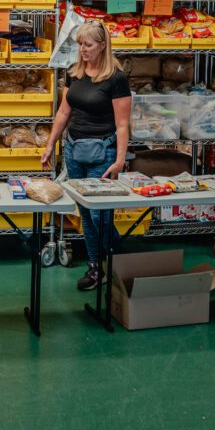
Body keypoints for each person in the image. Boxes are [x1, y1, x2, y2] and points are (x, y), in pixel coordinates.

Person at [42, 22, 131, 291]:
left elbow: (123, 124)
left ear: (102, 46)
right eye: (80, 44)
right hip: (74, 149)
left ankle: (118, 258)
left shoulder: (116, 78)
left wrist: (119, 159)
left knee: (99, 216)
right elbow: (63, 113)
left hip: (102, 153)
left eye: (88, 45)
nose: (82, 50)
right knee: (85, 212)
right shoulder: (74, 74)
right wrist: (50, 144)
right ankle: (95, 267)